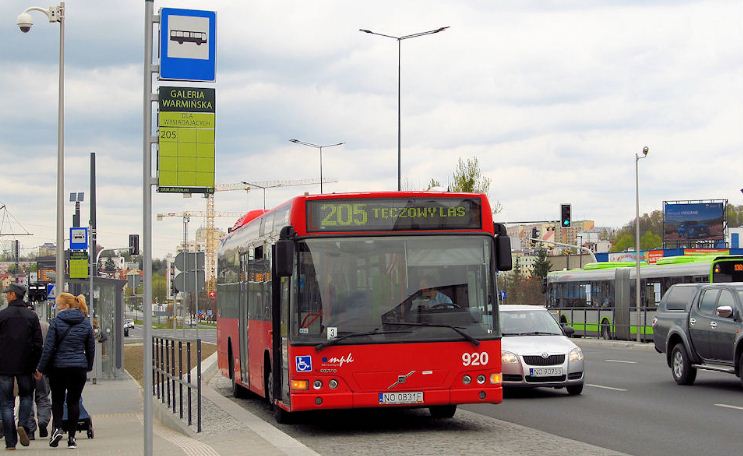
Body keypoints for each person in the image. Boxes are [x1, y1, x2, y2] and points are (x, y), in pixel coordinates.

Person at [36, 293, 95, 449]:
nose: (57, 307)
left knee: (57, 400)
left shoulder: (55, 323)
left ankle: (56, 429)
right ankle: (72, 439)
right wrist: (88, 365)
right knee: (74, 402)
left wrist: (40, 369)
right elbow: (90, 348)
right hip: (78, 369)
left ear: (67, 306)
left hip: (58, 368)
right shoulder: (85, 323)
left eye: (59, 305)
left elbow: (48, 349)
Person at [0, 284, 43, 450]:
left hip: (4, 367)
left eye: (7, 294)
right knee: (26, 397)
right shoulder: (31, 317)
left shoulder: (2, 316)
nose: (6, 296)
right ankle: (23, 425)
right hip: (26, 366)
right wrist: (35, 365)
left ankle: (10, 443)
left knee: (6, 404)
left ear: (12, 295)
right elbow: (38, 344)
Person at [25, 302, 51, 441]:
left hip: (26, 368)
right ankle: (43, 421)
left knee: (27, 397)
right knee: (42, 396)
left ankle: (29, 429)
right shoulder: (45, 326)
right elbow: (50, 346)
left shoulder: (21, 326)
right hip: (42, 368)